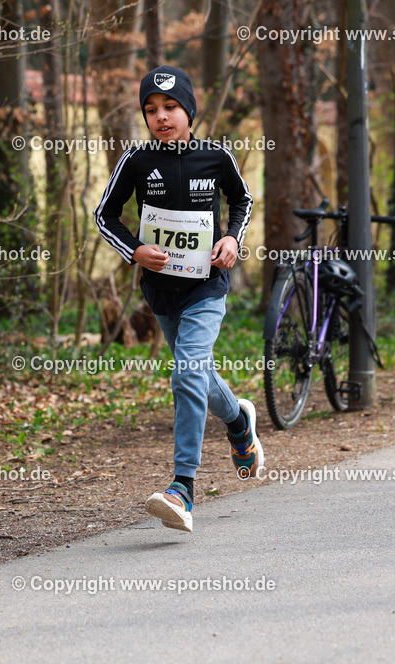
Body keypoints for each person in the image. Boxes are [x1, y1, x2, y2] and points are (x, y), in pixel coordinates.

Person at [93, 65, 264, 533]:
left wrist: (232, 239)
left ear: (189, 110)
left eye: (170, 108)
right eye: (151, 110)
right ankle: (238, 421)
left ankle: (181, 489)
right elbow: (105, 215)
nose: (161, 117)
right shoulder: (136, 159)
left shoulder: (216, 157)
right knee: (198, 373)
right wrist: (135, 251)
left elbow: (242, 201)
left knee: (186, 371)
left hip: (207, 284)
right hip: (161, 288)